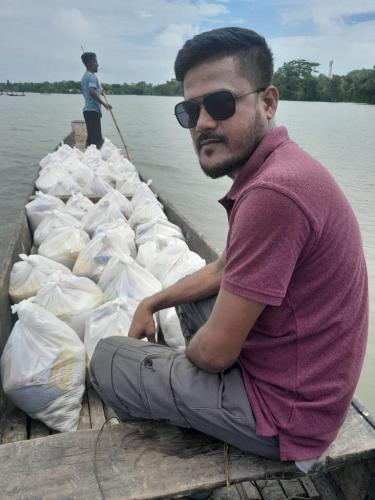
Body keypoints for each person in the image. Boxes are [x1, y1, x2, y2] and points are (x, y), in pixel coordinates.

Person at [89, 28, 368, 469]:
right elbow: (223, 270)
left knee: (109, 359)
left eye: (220, 104)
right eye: (189, 111)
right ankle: (186, 392)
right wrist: (152, 300)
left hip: (289, 418)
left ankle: (184, 414)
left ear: (268, 102)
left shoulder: (273, 193)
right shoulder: (277, 168)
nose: (202, 123)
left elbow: (216, 354)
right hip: (302, 380)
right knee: (190, 303)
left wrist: (174, 363)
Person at [81, 52, 112, 149]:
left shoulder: (85, 76)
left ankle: (88, 157)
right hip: (93, 111)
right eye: (95, 62)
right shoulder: (92, 76)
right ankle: (95, 159)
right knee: (97, 141)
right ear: (90, 63)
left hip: (87, 111)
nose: (97, 64)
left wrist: (100, 92)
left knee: (91, 139)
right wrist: (104, 104)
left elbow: (91, 91)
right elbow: (91, 92)